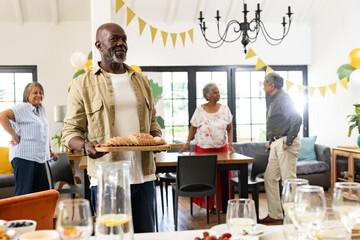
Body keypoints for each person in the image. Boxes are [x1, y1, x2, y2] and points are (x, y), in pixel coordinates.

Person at [61, 23, 161, 233]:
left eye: (124, 39)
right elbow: (70, 131)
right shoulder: (82, 84)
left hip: (144, 175)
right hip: (107, 177)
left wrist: (156, 137)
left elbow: (152, 122)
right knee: (112, 236)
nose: (121, 43)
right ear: (98, 45)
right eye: (114, 39)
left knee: (146, 235)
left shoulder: (141, 81)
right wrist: (84, 146)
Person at [180, 83, 234, 212]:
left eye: (219, 92)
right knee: (206, 178)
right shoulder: (200, 110)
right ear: (207, 96)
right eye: (215, 92)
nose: (218, 94)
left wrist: (231, 145)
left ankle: (222, 206)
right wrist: (188, 143)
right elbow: (193, 127)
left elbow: (230, 128)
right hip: (203, 150)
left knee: (222, 179)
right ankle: (211, 206)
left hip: (221, 149)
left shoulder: (225, 109)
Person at [0, 82, 58, 196]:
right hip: (23, 156)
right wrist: (14, 136)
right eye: (35, 92)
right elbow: (2, 116)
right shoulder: (23, 108)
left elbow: (43, 132)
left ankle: (39, 214)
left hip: (38, 157)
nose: (39, 95)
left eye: (41, 93)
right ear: (27, 95)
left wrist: (49, 150)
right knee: (24, 194)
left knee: (42, 192)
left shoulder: (41, 109)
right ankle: (22, 215)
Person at [259, 72, 302, 225]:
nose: (263, 88)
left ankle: (292, 218)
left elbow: (296, 118)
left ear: (272, 85)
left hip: (286, 142)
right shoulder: (275, 100)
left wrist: (288, 141)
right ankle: (276, 215)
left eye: (264, 85)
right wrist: (272, 141)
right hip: (278, 142)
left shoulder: (283, 98)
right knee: (269, 177)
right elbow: (280, 124)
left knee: (289, 181)